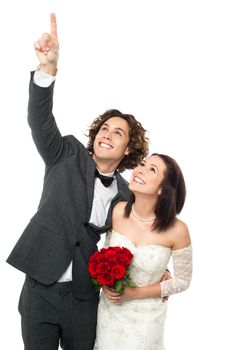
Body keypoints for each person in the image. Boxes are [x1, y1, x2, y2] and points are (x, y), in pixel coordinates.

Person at [6, 13, 150, 350]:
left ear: (127, 148)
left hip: (84, 297)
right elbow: (39, 120)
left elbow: (140, 238)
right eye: (104, 128)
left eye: (118, 133)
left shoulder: (128, 194)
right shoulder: (66, 152)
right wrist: (47, 69)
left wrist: (159, 277)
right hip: (39, 285)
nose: (107, 135)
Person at [94, 153, 192, 350]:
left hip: (147, 321)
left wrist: (136, 293)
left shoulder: (178, 230)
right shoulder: (118, 211)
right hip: (109, 316)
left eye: (152, 169)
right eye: (142, 164)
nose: (140, 170)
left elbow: (182, 281)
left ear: (162, 189)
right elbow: (104, 256)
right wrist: (105, 284)